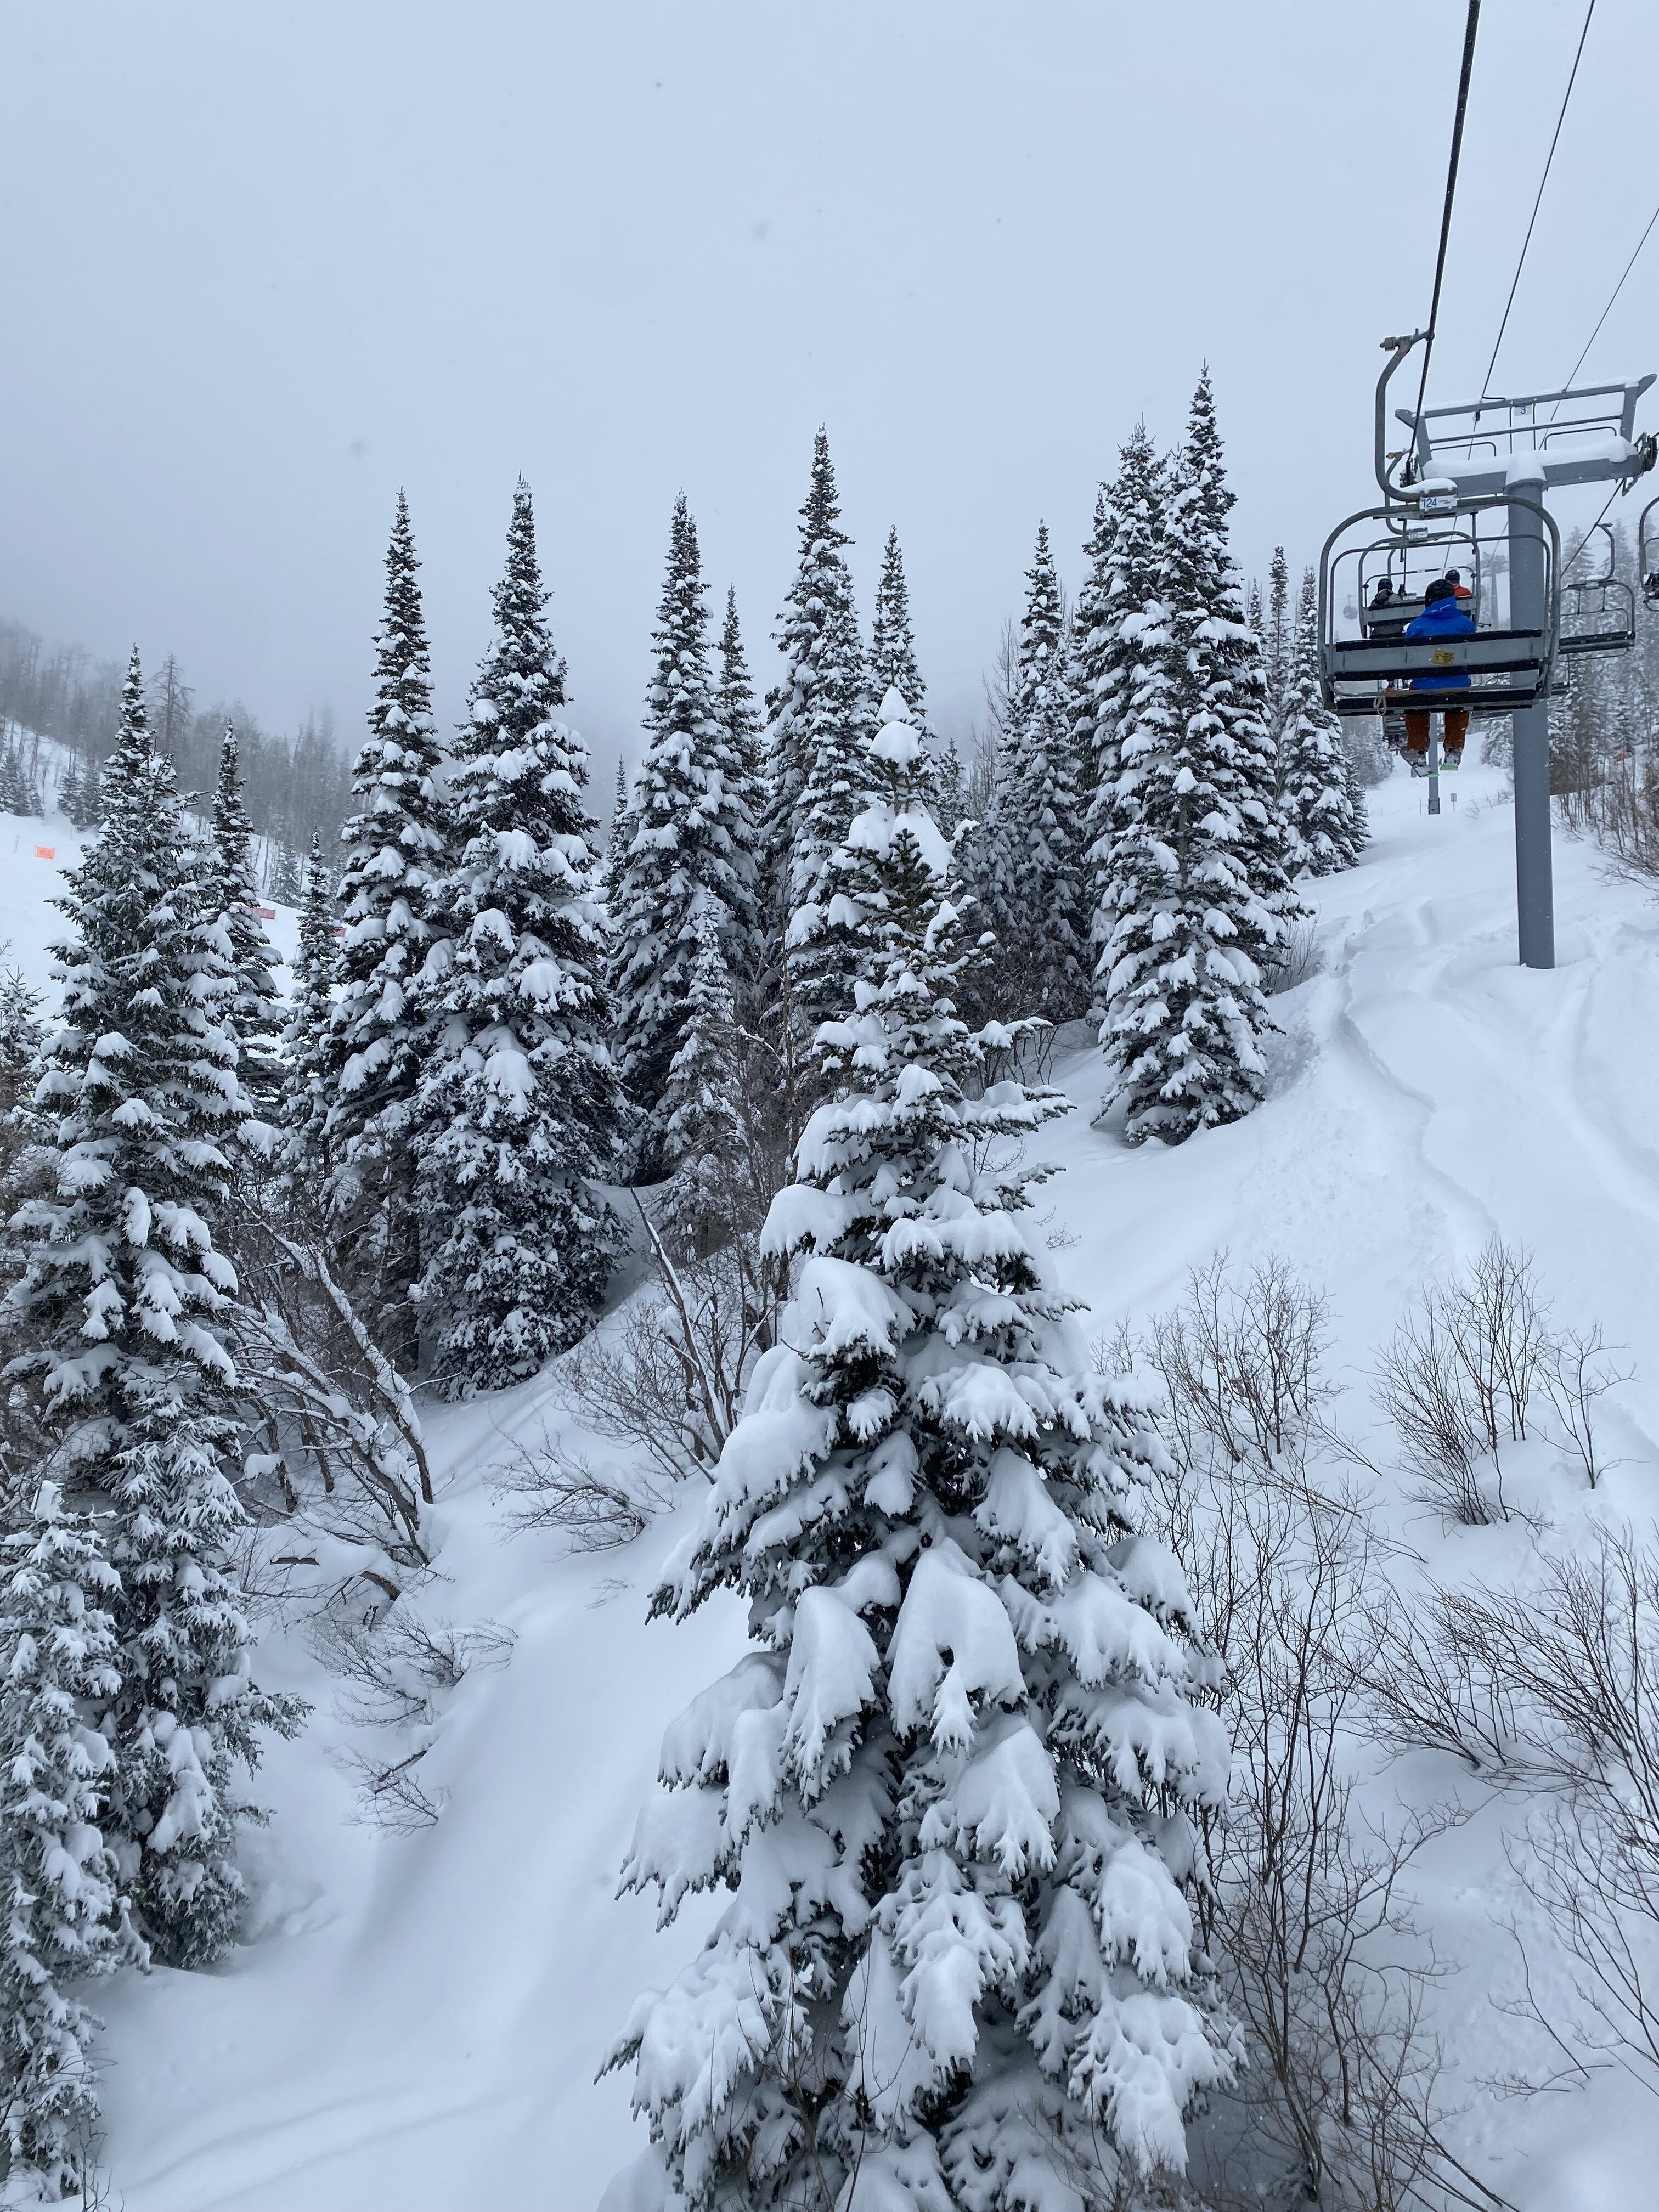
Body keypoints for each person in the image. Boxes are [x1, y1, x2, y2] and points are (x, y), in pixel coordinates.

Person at [1400, 575, 1474, 772]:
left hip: (1426, 688)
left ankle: (1417, 749)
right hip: (1457, 687)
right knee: (1457, 704)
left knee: (1414, 702)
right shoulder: (1465, 624)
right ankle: (1453, 749)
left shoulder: (1417, 626)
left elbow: (1407, 659)